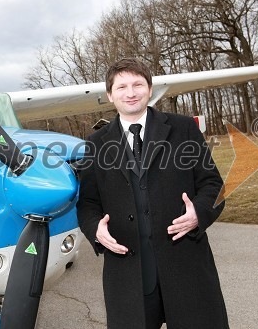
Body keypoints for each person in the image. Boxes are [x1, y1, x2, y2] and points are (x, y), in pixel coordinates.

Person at [77, 58, 229, 329]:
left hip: (186, 265)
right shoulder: (95, 143)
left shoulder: (183, 129)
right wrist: (95, 230)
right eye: (122, 86)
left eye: (138, 84)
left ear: (149, 89)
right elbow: (88, 202)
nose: (131, 92)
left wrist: (199, 211)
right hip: (128, 273)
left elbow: (213, 184)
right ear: (110, 95)